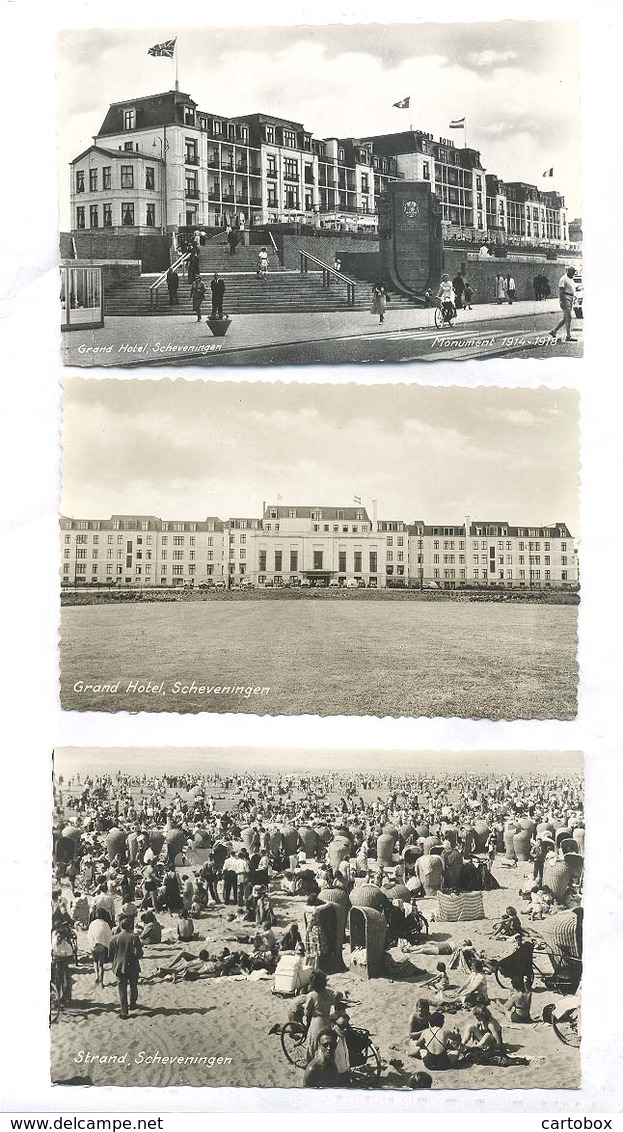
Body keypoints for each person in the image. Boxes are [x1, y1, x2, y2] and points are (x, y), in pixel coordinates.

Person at [108, 916, 144, 1020]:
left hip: (119, 966)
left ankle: (124, 1011)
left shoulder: (114, 938)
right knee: (133, 986)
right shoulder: (135, 938)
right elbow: (139, 954)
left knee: (122, 989)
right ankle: (133, 1003)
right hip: (132, 966)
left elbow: (110, 955)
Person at [304, 970, 341, 1058]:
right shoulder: (329, 993)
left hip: (316, 1021)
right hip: (327, 1020)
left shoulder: (311, 996)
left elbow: (307, 1012)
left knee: (314, 1041)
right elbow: (335, 1000)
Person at [550, 266, 577, 342]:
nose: (573, 273)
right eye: (572, 271)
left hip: (570, 298)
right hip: (566, 298)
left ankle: (554, 331)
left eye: (574, 272)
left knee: (565, 318)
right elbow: (561, 291)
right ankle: (568, 336)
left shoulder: (571, 279)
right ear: (568, 271)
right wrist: (562, 301)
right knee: (568, 317)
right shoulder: (563, 279)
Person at [87, 907, 112, 986]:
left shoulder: (92, 923)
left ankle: (96, 975)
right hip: (102, 945)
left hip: (93, 945)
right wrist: (107, 945)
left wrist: (91, 944)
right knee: (101, 964)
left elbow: (89, 935)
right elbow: (109, 936)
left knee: (95, 961)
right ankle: (101, 981)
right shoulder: (106, 924)